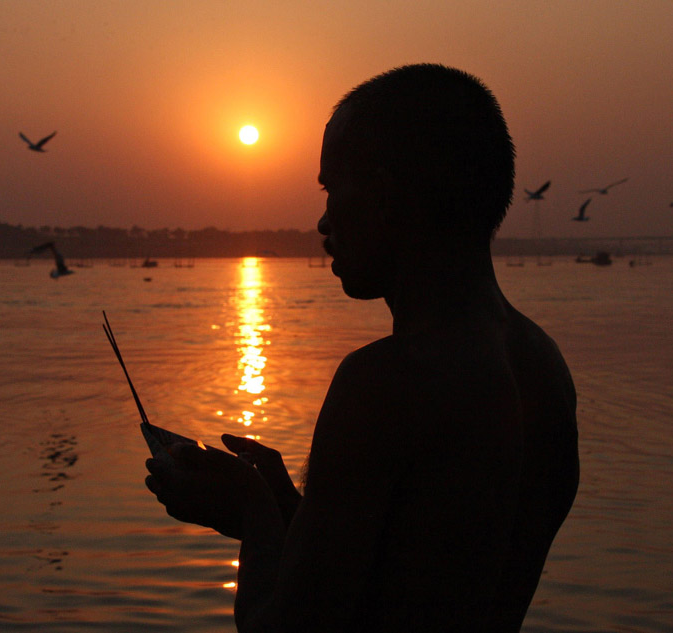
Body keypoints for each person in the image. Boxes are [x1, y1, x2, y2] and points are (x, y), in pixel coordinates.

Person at [145, 63, 579, 632]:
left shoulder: (386, 382)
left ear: (381, 196)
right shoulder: (544, 369)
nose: (323, 220)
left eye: (331, 189)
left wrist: (253, 517)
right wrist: (288, 512)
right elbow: (411, 580)